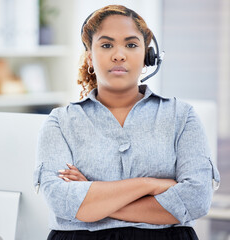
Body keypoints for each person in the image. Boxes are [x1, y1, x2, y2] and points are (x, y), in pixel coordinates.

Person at [33, 4, 221, 240]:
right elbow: (62, 202)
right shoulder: (60, 122)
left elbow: (196, 199)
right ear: (90, 57)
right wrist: (150, 185)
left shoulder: (182, 116)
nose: (119, 54)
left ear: (147, 57)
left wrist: (93, 201)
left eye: (131, 45)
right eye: (106, 44)